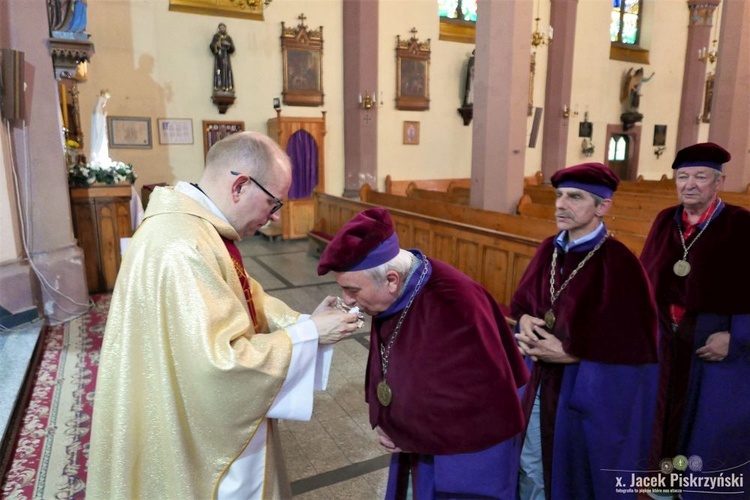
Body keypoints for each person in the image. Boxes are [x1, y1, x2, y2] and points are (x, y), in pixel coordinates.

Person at [87, 131, 360, 499]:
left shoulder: (195, 228)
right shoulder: (182, 245)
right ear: (240, 186)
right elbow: (220, 367)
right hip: (192, 435)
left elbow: (245, 295)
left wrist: (303, 322)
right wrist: (309, 336)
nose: (271, 219)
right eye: (272, 204)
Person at [316, 207, 529, 499]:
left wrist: (413, 434)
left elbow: (479, 400)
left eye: (352, 290)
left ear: (391, 279)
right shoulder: (399, 290)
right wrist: (394, 423)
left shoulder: (455, 304)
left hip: (467, 455)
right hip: (420, 443)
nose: (347, 300)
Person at [510, 162, 659, 499]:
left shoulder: (619, 262)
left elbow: (635, 343)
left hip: (583, 391)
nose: (561, 204)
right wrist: (525, 320)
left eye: (575, 197)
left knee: (573, 474)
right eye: (560, 196)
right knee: (531, 466)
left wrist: (571, 352)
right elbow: (522, 304)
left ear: (602, 206)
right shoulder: (548, 248)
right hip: (538, 382)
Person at [640, 142, 750, 497]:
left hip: (712, 339)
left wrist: (738, 337)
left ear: (718, 181)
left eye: (700, 177)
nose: (689, 184)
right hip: (664, 341)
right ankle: (662, 483)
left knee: (706, 426)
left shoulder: (739, 224)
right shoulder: (664, 220)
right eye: (682, 176)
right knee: (660, 419)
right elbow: (645, 279)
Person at [211, 22, 235, 92]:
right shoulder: (216, 36)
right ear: (219, 29)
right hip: (219, 55)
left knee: (228, 70)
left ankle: (229, 86)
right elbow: (212, 46)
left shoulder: (228, 37)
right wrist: (218, 44)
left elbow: (233, 49)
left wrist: (229, 45)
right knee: (219, 70)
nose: (222, 29)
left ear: (225, 28)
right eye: (221, 28)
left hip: (226, 56)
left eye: (223, 27)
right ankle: (218, 86)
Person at [89, 90, 110, 166]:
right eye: (105, 100)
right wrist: (103, 118)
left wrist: (104, 117)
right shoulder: (98, 110)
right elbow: (98, 124)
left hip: (102, 134)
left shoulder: (99, 110)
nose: (105, 102)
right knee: (99, 147)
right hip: (99, 134)